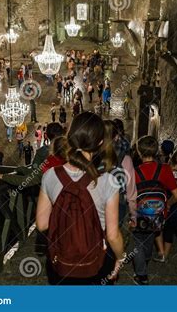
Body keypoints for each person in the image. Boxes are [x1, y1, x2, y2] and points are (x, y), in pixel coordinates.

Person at [36, 112, 125, 285]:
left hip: (61, 261)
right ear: (100, 142)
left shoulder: (50, 176)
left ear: (70, 137)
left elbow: (42, 224)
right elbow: (113, 235)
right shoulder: (109, 181)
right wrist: (121, 258)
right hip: (97, 261)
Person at [132, 136, 177, 285]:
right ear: (156, 151)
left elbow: (131, 199)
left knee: (137, 242)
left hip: (140, 215)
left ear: (139, 152)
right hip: (158, 215)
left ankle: (142, 275)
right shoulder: (165, 169)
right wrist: (167, 205)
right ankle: (145, 262)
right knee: (149, 239)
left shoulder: (134, 173)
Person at [100, 120, 137, 226]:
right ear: (116, 137)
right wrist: (133, 216)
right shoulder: (126, 160)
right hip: (117, 211)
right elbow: (131, 195)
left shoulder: (90, 158)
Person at [161, 151, 177, 261]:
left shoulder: (171, 174)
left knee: (168, 229)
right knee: (173, 227)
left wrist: (167, 204)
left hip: (172, 204)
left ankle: (165, 255)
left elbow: (174, 193)